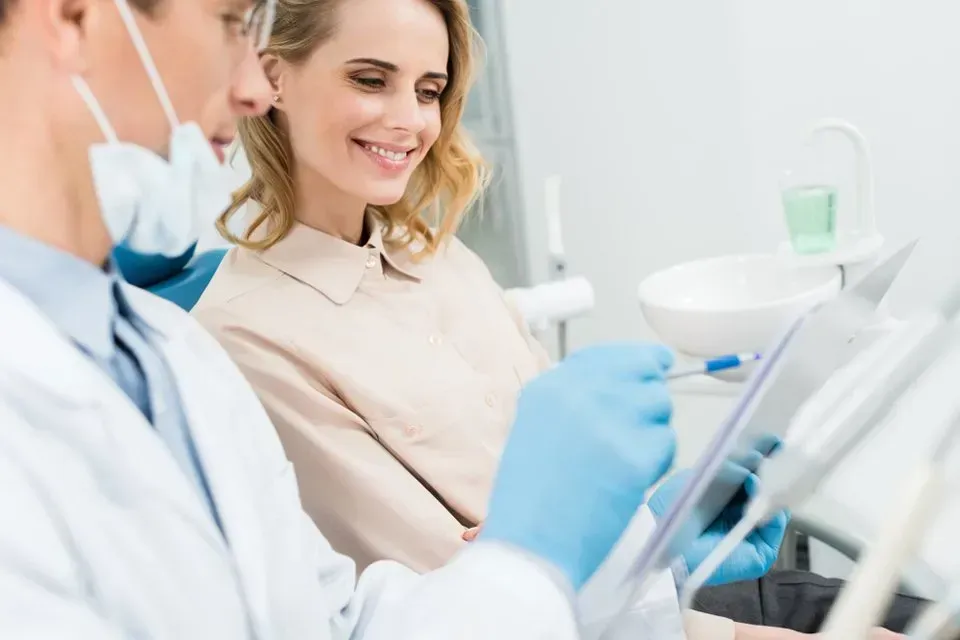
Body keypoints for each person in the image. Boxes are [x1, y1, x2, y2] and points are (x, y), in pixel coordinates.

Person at [0, 0, 747, 638]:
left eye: (429, 89)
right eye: (230, 22)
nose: (250, 86)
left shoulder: (172, 360)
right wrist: (538, 554)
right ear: (72, 17)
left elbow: (343, 621)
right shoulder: (219, 341)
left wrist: (638, 544)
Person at [190, 0, 916, 637]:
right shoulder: (246, 340)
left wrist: (665, 519)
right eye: (370, 79)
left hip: (646, 594)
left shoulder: (437, 257)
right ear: (273, 75)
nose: (410, 120)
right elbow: (471, 602)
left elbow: (567, 484)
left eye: (430, 90)